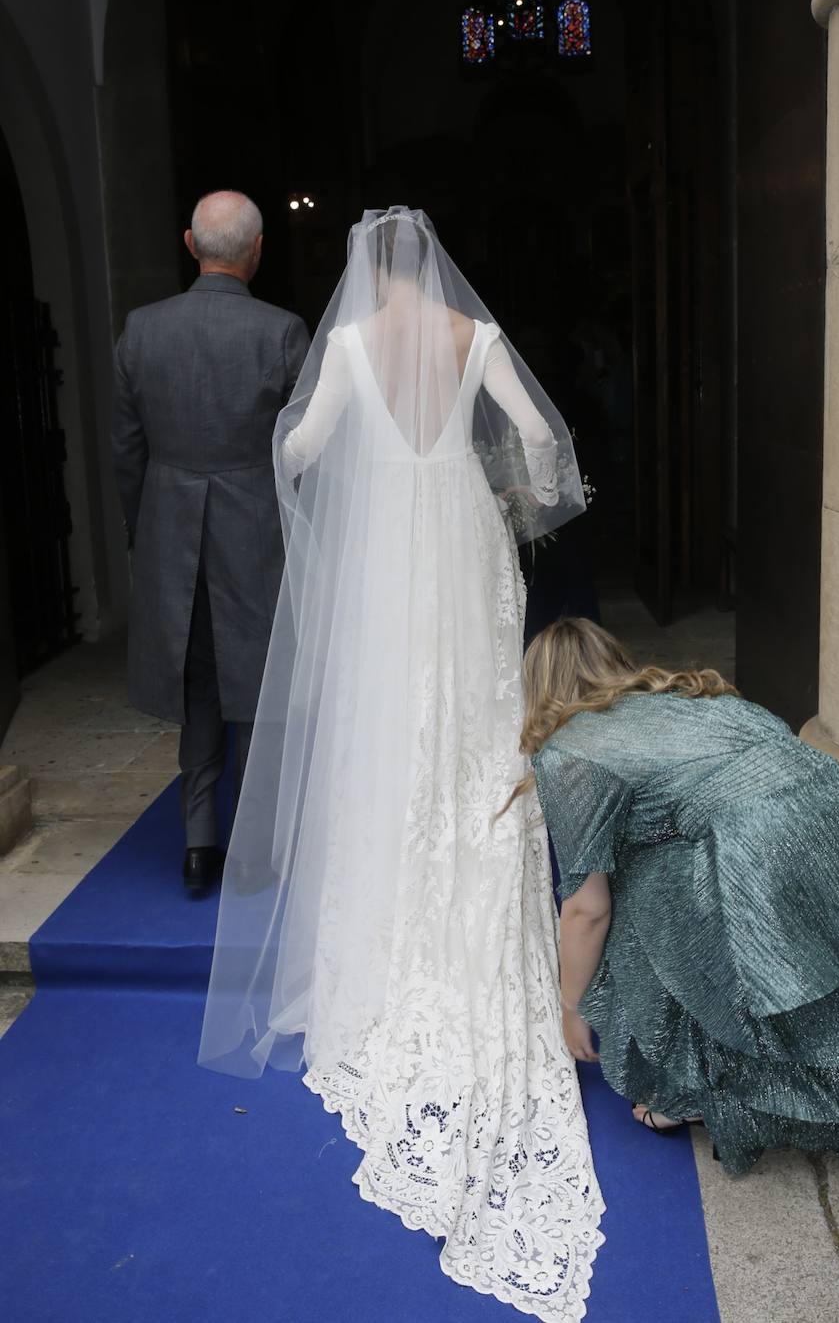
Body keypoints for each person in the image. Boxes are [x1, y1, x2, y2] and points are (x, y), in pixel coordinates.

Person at [199, 208, 606, 1319]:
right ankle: (468, 875)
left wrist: (301, 469)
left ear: (359, 271)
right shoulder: (471, 337)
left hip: (388, 543)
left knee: (390, 719)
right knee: (470, 716)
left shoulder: (340, 348)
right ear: (428, 263)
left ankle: (392, 904)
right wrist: (514, 501)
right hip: (463, 534)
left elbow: (301, 448)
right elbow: (537, 433)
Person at [519, 617, 839, 1175]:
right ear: (615, 660)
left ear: (537, 687)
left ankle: (699, 1092)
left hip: (759, 835)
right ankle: (801, 1077)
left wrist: (571, 1007)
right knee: (789, 970)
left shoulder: (569, 750)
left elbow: (588, 907)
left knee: (653, 902)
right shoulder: (686, 694)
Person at [111, 191, 310, 893]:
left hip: (172, 529)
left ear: (190, 246)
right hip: (256, 529)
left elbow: (127, 452)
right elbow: (302, 452)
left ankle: (199, 846)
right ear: (256, 252)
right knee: (255, 688)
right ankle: (253, 849)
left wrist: (152, 525)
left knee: (198, 686)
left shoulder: (140, 330)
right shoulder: (283, 332)